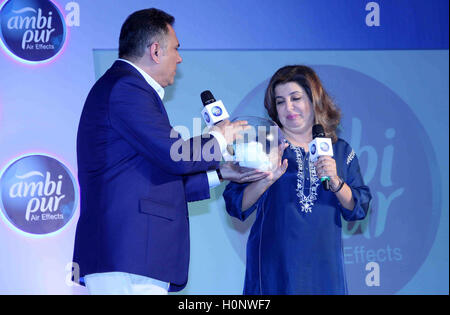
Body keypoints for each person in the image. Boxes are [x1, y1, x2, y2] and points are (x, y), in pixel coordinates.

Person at [72, 8, 266, 295]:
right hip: (129, 254)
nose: (180, 57)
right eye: (176, 49)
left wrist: (222, 172)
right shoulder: (127, 88)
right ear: (155, 50)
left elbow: (155, 179)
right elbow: (172, 154)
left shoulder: (126, 88)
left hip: (135, 257)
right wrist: (218, 136)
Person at [223, 65, 372, 295]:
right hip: (274, 271)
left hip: (324, 271)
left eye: (295, 98)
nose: (288, 108)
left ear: (315, 100)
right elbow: (235, 205)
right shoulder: (261, 146)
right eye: (280, 101)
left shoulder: (340, 151)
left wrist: (336, 183)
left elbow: (359, 208)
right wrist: (266, 180)